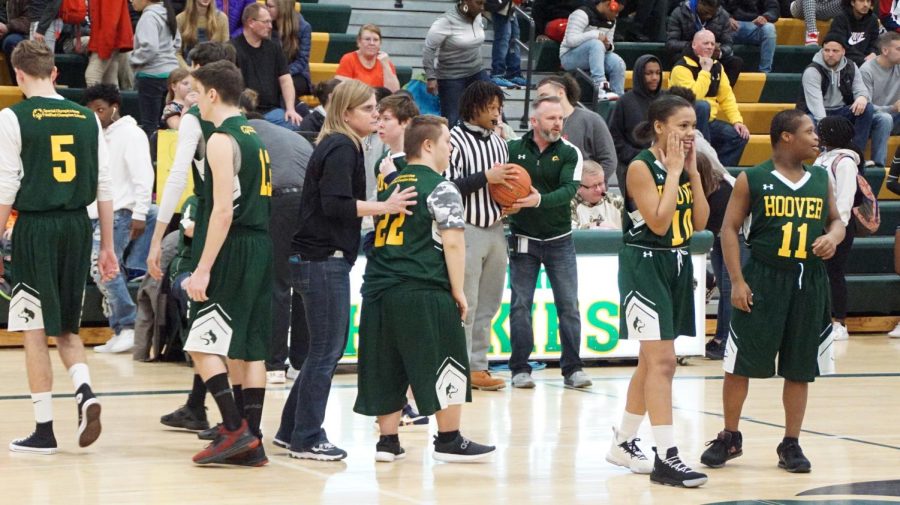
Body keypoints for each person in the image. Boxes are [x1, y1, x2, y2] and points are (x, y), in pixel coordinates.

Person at [273, 80, 418, 461]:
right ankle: (307, 437)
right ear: (346, 112)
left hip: (315, 258)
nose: (376, 115)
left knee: (322, 350)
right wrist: (384, 206)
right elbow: (336, 205)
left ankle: (291, 431)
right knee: (326, 351)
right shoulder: (340, 146)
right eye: (370, 109)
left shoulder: (343, 144)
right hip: (323, 259)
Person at [700, 109, 845, 473]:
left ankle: (791, 443)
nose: (816, 138)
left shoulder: (820, 178)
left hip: (808, 281)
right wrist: (737, 281)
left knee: (800, 368)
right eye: (809, 131)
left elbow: (837, 220)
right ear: (785, 137)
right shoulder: (754, 178)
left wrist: (832, 237)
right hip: (764, 277)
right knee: (739, 364)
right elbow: (729, 230)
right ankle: (730, 436)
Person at [354, 114, 497, 463]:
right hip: (421, 288)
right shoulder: (441, 186)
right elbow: (453, 244)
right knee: (446, 359)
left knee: (386, 364)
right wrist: (459, 291)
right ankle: (449, 439)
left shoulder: (390, 185)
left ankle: (387, 442)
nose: (451, 149)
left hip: (378, 289)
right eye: (448, 142)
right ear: (428, 145)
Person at [0, 40, 118, 455]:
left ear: (17, 75)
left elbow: (6, 187)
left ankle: (44, 429)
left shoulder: (12, 118)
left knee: (34, 328)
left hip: (37, 228)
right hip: (78, 227)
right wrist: (108, 247)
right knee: (66, 326)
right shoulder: (87, 118)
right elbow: (105, 186)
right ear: (54, 72)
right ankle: (85, 390)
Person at [605, 93, 710, 488]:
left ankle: (624, 442)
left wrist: (693, 174)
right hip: (645, 265)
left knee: (651, 363)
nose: (689, 133)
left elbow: (700, 222)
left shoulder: (683, 166)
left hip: (677, 264)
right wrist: (672, 173)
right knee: (663, 361)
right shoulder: (640, 167)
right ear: (660, 127)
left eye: (693, 126)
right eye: (683, 125)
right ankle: (667, 456)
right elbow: (660, 223)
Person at [181, 60, 273, 466]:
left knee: (200, 343)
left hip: (232, 247)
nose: (194, 101)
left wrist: (202, 268)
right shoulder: (256, 135)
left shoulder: (221, 139)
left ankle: (235, 428)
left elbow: (222, 212)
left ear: (213, 94)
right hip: (260, 245)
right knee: (249, 350)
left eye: (197, 93)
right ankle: (253, 441)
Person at [150, 41, 238, 436]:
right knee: (224, 323)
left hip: (209, 220)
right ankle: (203, 407)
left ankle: (229, 421)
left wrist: (157, 235)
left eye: (194, 75)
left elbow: (175, 177)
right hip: (244, 224)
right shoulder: (243, 118)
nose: (188, 85)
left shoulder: (196, 119)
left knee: (203, 317)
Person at [506, 96, 592, 390]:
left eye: (560, 118)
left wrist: (537, 199)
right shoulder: (512, 149)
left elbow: (569, 190)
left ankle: (573, 368)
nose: (557, 123)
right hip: (522, 238)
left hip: (559, 240)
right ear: (534, 122)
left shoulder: (570, 152)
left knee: (568, 306)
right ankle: (519, 368)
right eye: (551, 118)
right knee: (519, 305)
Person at [447, 81, 515, 391]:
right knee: (467, 304)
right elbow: (448, 187)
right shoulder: (454, 140)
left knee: (489, 304)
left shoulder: (500, 143)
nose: (498, 113)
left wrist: (513, 197)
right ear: (474, 107)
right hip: (466, 228)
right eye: (492, 107)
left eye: (499, 107)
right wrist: (486, 178)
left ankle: (479, 367)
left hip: (496, 228)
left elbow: (505, 185)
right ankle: (458, 367)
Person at [244, 93, 315, 384]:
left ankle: (273, 364)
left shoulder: (246, 136)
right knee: (302, 284)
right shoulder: (291, 136)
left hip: (281, 201)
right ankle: (300, 362)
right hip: (310, 204)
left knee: (277, 283)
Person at [82, 84, 155, 355]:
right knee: (108, 270)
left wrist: (139, 214)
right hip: (98, 213)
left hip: (121, 212)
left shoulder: (132, 134)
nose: (96, 115)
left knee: (102, 267)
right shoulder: (100, 136)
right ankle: (120, 328)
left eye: (100, 109)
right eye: (91, 111)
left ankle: (128, 326)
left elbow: (144, 176)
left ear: (115, 107)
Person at [670, 30, 750, 167]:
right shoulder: (681, 68)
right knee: (702, 106)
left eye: (713, 43)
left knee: (739, 136)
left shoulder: (717, 66)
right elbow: (693, 97)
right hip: (685, 123)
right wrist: (705, 71)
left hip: (709, 122)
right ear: (694, 45)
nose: (710, 46)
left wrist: (737, 121)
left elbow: (727, 96)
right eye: (705, 43)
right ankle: (704, 164)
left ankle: (718, 174)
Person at [814, 117, 860, 342]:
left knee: (834, 272)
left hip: (838, 226)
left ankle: (839, 322)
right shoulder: (822, 158)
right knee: (819, 273)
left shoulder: (845, 162)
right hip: (819, 225)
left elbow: (845, 200)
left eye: (820, 131)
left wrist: (835, 230)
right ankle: (820, 319)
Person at [797, 34, 875, 157]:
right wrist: (828, 125)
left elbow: (861, 89)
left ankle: (856, 154)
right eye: (826, 50)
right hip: (817, 112)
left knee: (867, 108)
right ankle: (825, 155)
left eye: (835, 51)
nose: (830, 54)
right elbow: (816, 105)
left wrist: (862, 97)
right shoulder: (812, 71)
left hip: (841, 111)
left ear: (843, 52)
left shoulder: (851, 66)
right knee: (810, 122)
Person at [231, 4, 302, 131]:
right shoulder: (233, 48)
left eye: (270, 22)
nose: (270, 26)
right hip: (244, 113)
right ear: (251, 22)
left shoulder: (274, 48)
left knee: (294, 124)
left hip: (272, 112)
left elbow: (285, 79)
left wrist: (291, 109)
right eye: (266, 22)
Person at [535, 75, 618, 182]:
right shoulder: (541, 124)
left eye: (544, 96)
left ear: (561, 93)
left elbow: (609, 161)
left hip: (585, 193)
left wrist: (589, 184)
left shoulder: (592, 120)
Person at [423, 0, 490, 126]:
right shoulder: (445, 21)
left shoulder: (477, 16)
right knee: (452, 119)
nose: (482, 8)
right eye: (478, 3)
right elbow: (428, 49)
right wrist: (431, 76)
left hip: (476, 70)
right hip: (451, 76)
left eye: (483, 4)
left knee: (493, 105)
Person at [130, 0, 182, 137]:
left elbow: (150, 48)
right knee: (166, 123)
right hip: (171, 75)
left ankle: (151, 157)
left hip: (151, 77)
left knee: (150, 125)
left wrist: (133, 59)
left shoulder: (149, 17)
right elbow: (177, 43)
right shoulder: (168, 13)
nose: (131, 1)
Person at [609, 55, 663, 183]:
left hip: (664, 164)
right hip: (632, 163)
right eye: (649, 73)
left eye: (657, 73)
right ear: (639, 74)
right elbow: (615, 137)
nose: (654, 78)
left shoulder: (667, 99)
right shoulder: (624, 102)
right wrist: (638, 156)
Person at [560, 0, 627, 100]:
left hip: (595, 54)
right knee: (596, 44)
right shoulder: (581, 14)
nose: (616, 15)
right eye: (616, 11)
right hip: (569, 56)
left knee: (618, 62)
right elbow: (571, 41)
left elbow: (610, 45)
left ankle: (619, 98)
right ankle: (601, 87)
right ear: (609, 4)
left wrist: (608, 46)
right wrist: (595, 35)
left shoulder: (612, 21)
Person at [668, 0, 744, 86]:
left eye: (713, 13)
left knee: (735, 62)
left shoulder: (723, 15)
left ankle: (721, 94)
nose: (709, 16)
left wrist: (720, 52)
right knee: (682, 60)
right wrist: (695, 47)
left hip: (712, 56)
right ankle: (692, 93)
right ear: (700, 3)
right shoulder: (679, 13)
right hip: (688, 55)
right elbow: (671, 43)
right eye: (707, 12)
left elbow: (728, 43)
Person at [861, 31, 900, 168]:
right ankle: (878, 166)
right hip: (873, 119)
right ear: (885, 50)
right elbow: (866, 106)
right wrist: (892, 108)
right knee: (885, 118)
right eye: (898, 49)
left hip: (895, 117)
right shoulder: (867, 70)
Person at [267, 0, 313, 97]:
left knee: (281, 86)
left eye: (270, 7)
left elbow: (302, 61)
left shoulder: (303, 27)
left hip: (296, 74)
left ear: (282, 8)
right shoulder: (266, 24)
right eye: (266, 5)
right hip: (271, 73)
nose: (267, 10)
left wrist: (282, 73)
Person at [336, 24, 400, 92]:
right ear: (359, 42)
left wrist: (386, 66)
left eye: (375, 40)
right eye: (367, 39)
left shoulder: (385, 62)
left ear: (380, 43)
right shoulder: (348, 59)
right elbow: (342, 90)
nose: (372, 43)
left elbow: (394, 92)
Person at [85, 0, 134, 87]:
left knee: (92, 76)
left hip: (106, 40)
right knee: (110, 82)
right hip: (108, 40)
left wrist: (105, 47)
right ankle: (113, 100)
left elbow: (110, 19)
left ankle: (96, 101)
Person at [723, 0, 779, 73]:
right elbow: (717, 6)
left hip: (756, 26)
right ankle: (727, 71)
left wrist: (765, 17)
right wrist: (727, 17)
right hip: (730, 26)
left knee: (769, 28)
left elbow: (773, 8)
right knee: (722, 26)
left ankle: (764, 72)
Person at [571, 160, 623, 229]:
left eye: (601, 184)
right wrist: (598, 224)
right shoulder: (569, 205)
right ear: (578, 187)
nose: (598, 189)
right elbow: (570, 233)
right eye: (593, 186)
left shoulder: (617, 202)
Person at [826, 0, 879, 68]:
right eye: (861, 1)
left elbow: (874, 41)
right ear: (852, 2)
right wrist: (863, 59)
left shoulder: (873, 19)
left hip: (867, 62)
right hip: (844, 63)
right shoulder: (841, 19)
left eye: (868, 1)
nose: (865, 4)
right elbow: (841, 45)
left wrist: (873, 53)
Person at [176, 0, 229, 66]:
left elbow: (227, 52)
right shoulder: (181, 19)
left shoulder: (222, 18)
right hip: (189, 69)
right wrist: (188, 70)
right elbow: (177, 53)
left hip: (214, 70)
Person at [487, 0, 527, 89]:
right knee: (503, 38)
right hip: (500, 5)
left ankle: (513, 73)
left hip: (510, 6)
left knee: (514, 37)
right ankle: (497, 74)